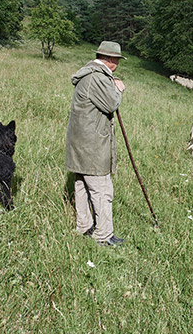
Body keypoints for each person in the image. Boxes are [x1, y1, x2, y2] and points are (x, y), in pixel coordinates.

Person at [65, 41, 126, 246]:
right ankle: (103, 236)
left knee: (82, 185)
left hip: (81, 143)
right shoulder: (97, 77)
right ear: (110, 60)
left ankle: (84, 228)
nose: (117, 63)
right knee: (102, 189)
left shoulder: (89, 74)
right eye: (117, 60)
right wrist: (118, 89)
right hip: (92, 145)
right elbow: (111, 104)